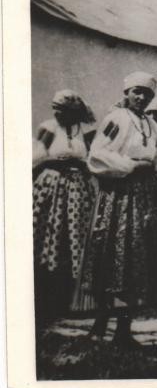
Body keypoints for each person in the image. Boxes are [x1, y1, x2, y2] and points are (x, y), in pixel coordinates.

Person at [78, 72, 157, 347]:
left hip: (144, 195)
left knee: (137, 259)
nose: (142, 97)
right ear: (127, 93)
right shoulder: (116, 119)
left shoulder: (150, 124)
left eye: (146, 94)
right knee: (110, 254)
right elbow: (98, 153)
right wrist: (129, 166)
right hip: (119, 194)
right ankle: (100, 323)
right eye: (137, 92)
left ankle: (124, 329)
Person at [32, 90, 97, 329]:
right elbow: (33, 158)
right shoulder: (48, 128)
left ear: (74, 111)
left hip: (78, 190)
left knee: (75, 241)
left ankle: (70, 300)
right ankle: (44, 298)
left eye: (62, 109)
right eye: (55, 108)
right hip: (51, 188)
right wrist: (52, 161)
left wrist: (80, 165)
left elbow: (93, 160)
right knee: (49, 237)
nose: (57, 113)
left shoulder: (87, 131)